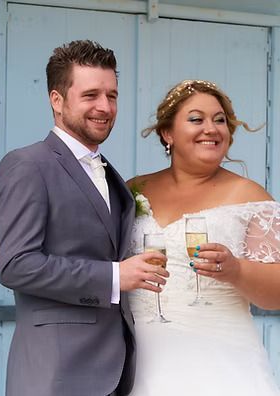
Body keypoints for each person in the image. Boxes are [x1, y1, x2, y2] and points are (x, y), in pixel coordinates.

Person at [0, 40, 168, 396]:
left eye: (112, 95)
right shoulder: (27, 166)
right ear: (57, 100)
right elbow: (16, 265)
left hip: (116, 374)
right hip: (55, 374)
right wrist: (116, 275)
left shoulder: (110, 175)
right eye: (91, 95)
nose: (105, 107)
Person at [127, 79, 280, 395]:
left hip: (222, 367)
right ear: (167, 133)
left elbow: (276, 292)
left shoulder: (249, 197)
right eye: (196, 119)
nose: (211, 128)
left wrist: (236, 270)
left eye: (220, 120)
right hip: (140, 365)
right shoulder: (132, 190)